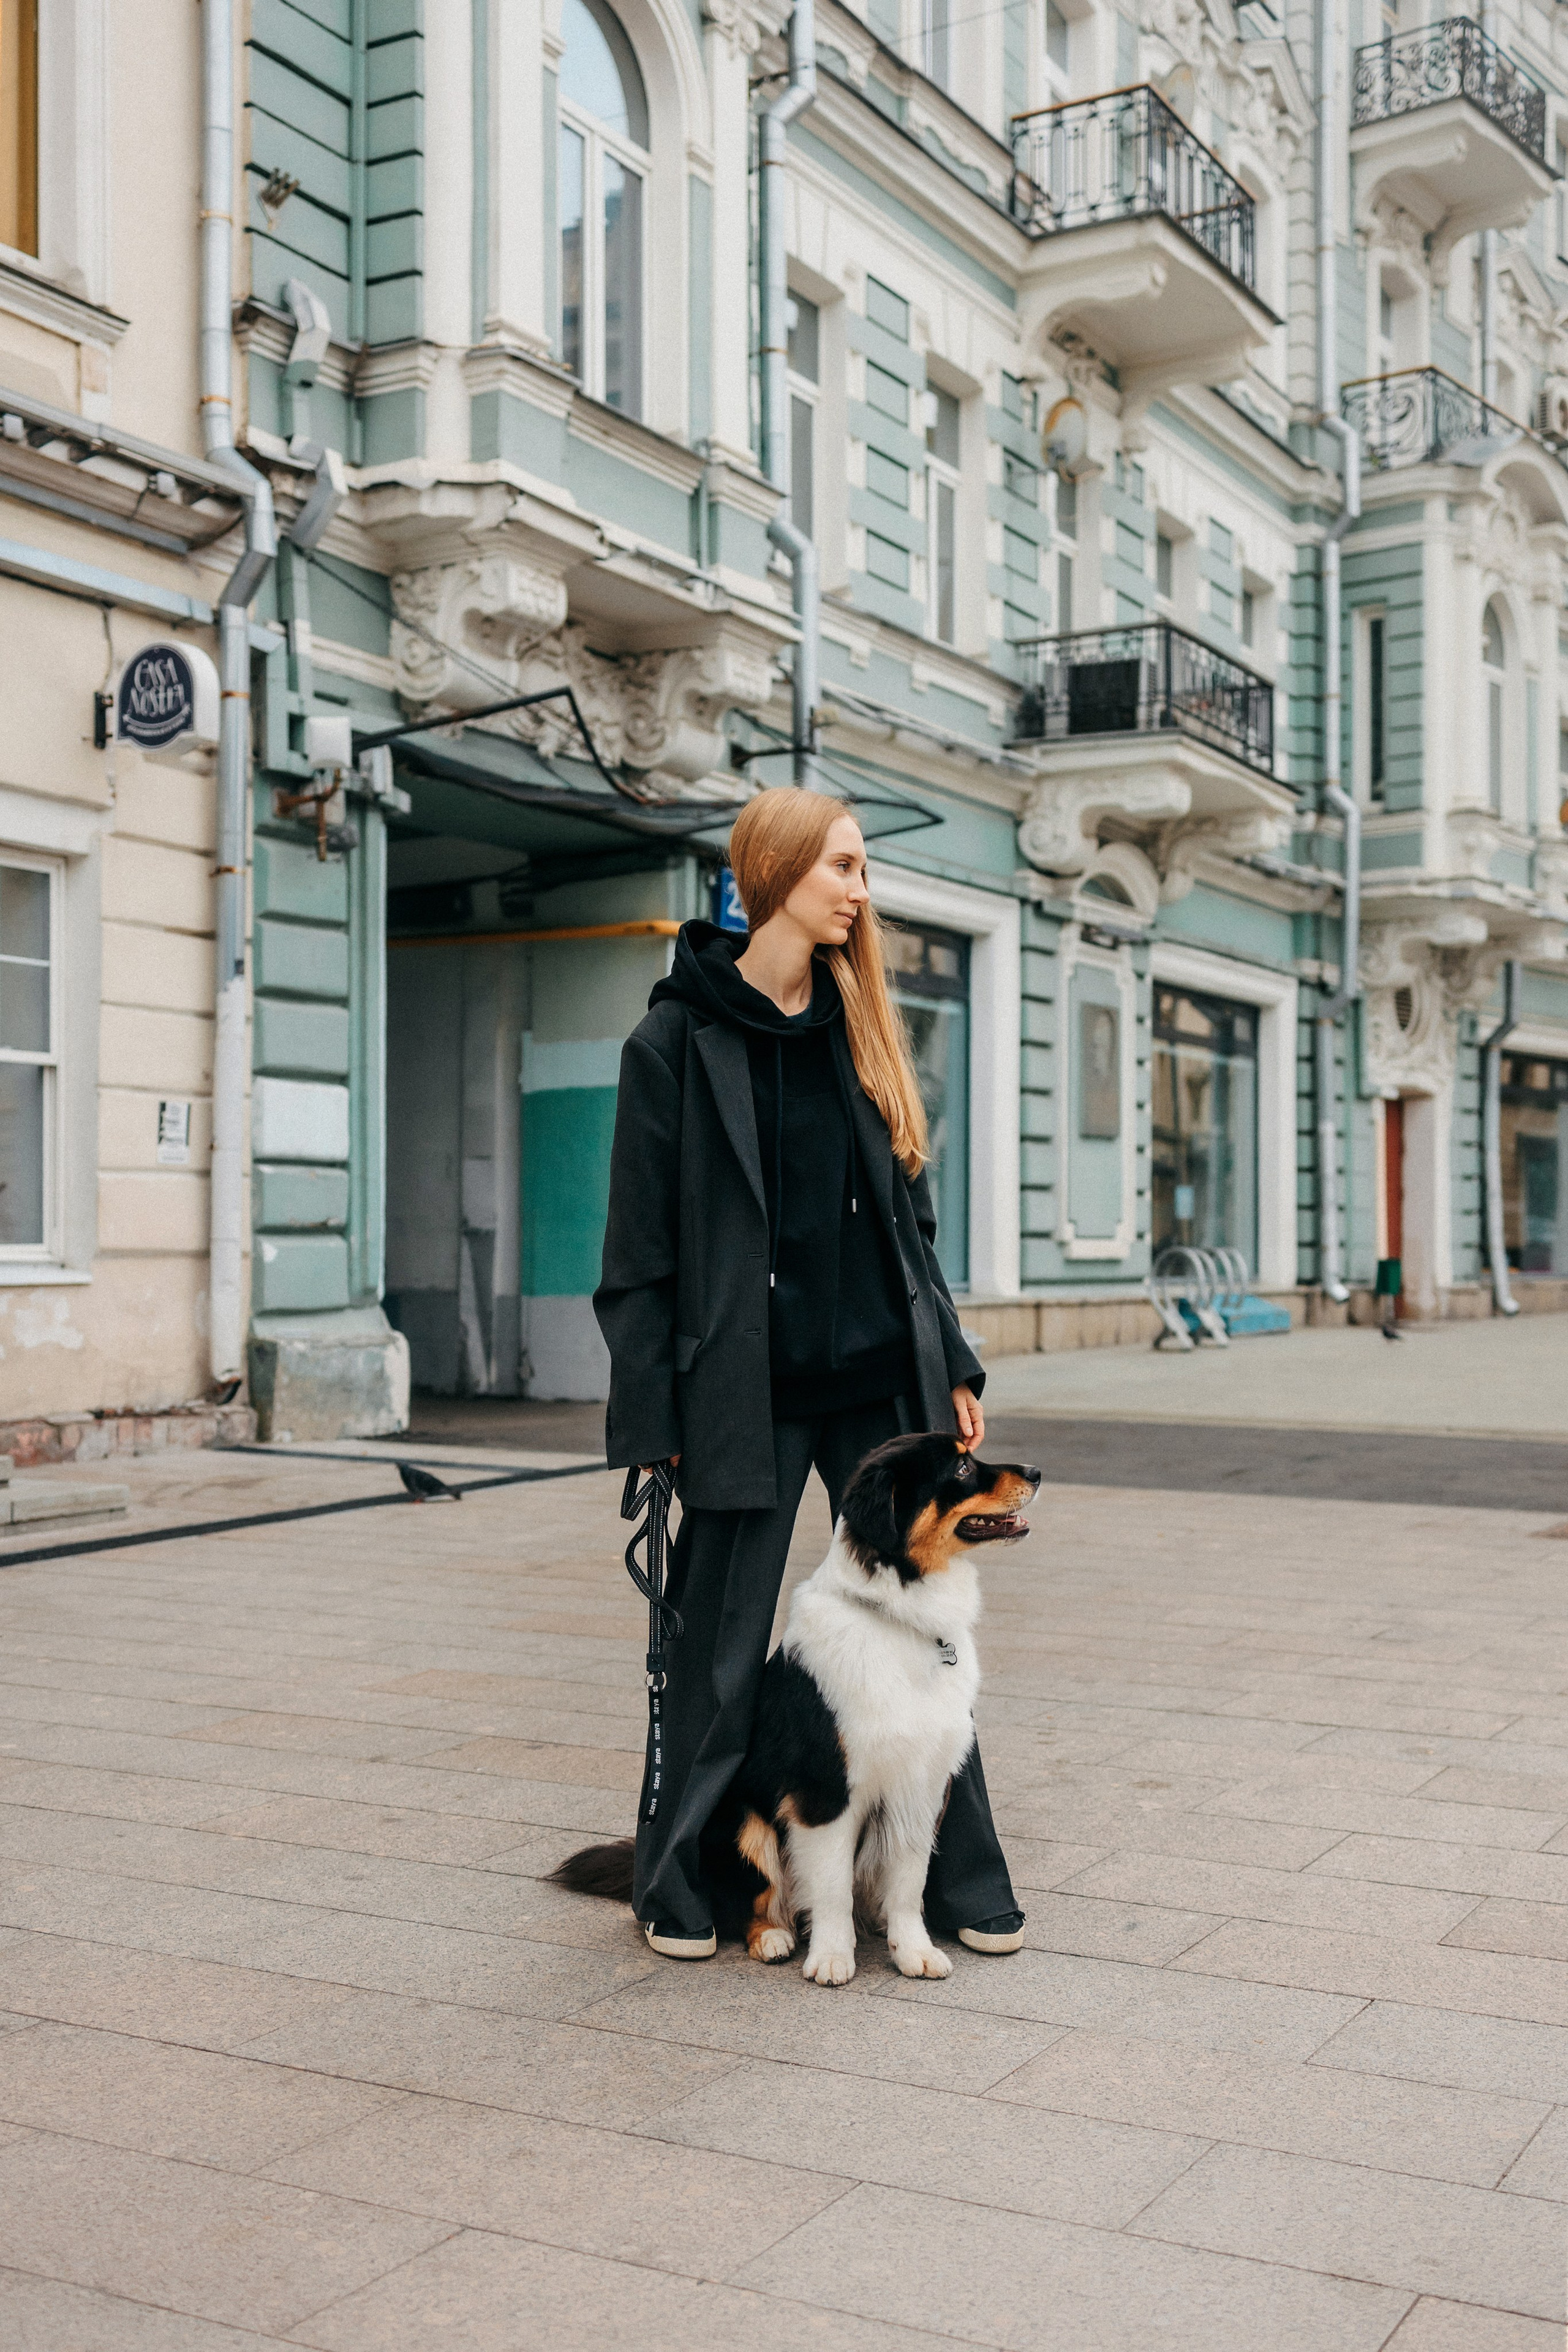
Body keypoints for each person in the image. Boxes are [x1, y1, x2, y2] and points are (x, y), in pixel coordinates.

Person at [594, 785, 1025, 1961]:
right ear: (772, 870)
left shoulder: (863, 1024)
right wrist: (652, 1416)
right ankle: (682, 1882)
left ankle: (956, 1880)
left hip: (881, 1381)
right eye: (841, 865)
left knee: (925, 1633)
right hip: (741, 1390)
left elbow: (911, 1227)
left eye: (862, 868)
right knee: (721, 1647)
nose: (858, 887)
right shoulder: (675, 1040)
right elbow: (635, 1259)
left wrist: (956, 1361)